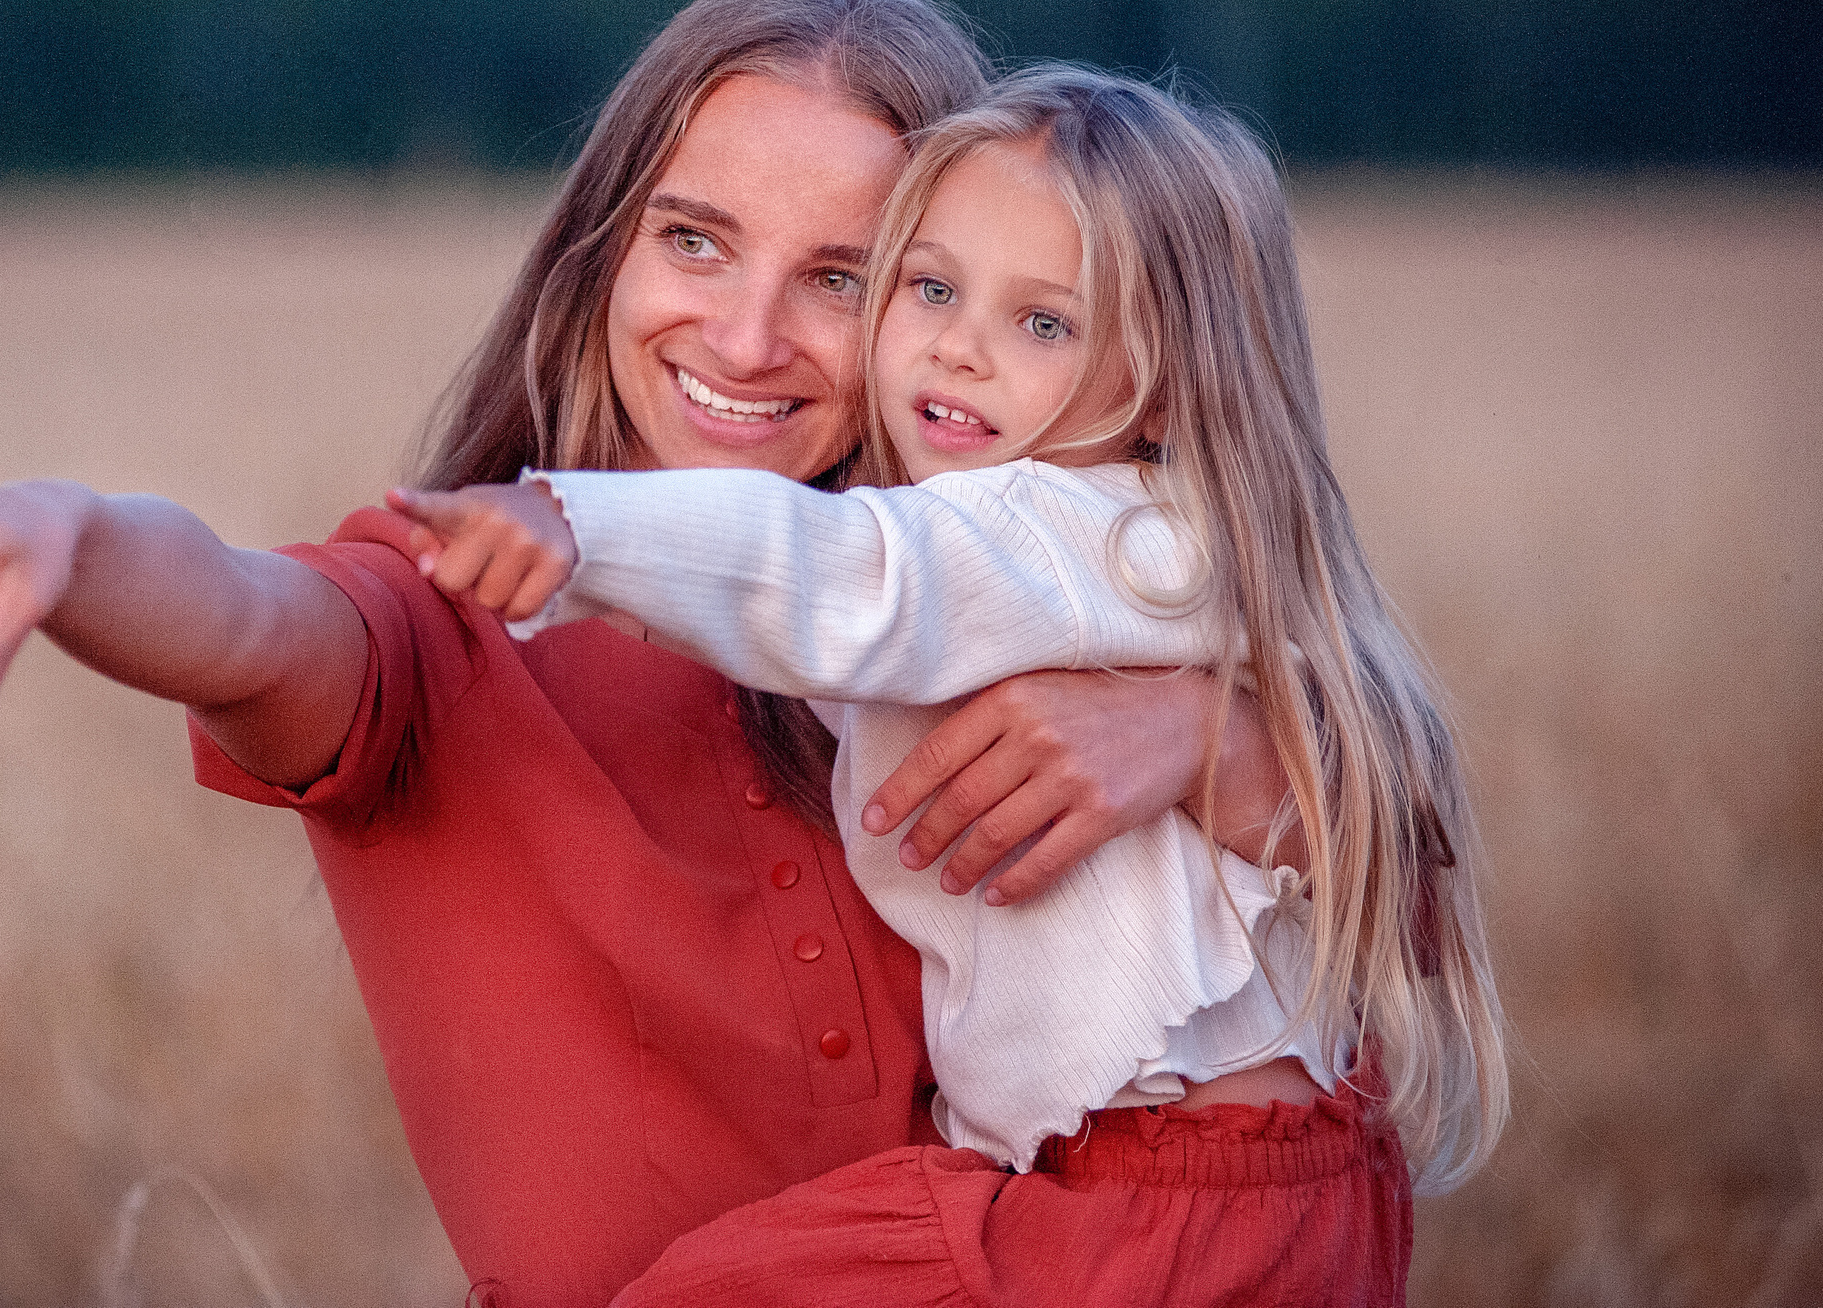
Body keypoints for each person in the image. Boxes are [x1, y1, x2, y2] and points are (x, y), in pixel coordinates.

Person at [0, 0, 1292, 1307]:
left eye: (841, 280)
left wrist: (1208, 736)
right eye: (695, 243)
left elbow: (1380, 940)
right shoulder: (452, 610)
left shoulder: (1022, 591)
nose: (742, 336)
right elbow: (250, 619)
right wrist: (69, 542)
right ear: (599, 252)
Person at [390, 64, 1509, 1306]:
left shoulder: (1028, 530)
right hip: (1294, 1187)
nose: (962, 350)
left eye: (1044, 324)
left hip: (1156, 1204)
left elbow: (833, 572)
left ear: (1168, 380)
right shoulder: (1176, 537)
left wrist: (576, 526)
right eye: (927, 288)